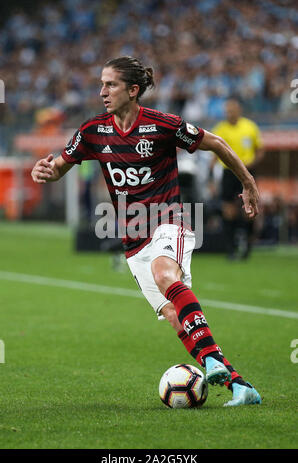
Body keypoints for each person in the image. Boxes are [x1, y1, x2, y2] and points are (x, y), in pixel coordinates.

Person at [31, 56, 261, 407]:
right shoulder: (93, 130)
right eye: (102, 84)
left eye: (111, 85)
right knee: (172, 315)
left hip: (171, 220)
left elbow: (215, 143)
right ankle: (240, 387)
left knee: (164, 273)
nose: (102, 92)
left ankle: (212, 361)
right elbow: (61, 165)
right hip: (132, 238)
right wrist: (46, 170)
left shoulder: (163, 125)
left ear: (133, 90)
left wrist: (247, 182)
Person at [211, 99, 264, 260]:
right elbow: (214, 155)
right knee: (229, 210)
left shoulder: (250, 127)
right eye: (227, 111)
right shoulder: (220, 129)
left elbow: (260, 150)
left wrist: (250, 166)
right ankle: (231, 249)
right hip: (228, 173)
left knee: (248, 210)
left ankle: (247, 245)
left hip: (248, 171)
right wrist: (211, 179)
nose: (229, 113)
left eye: (232, 110)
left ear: (239, 110)